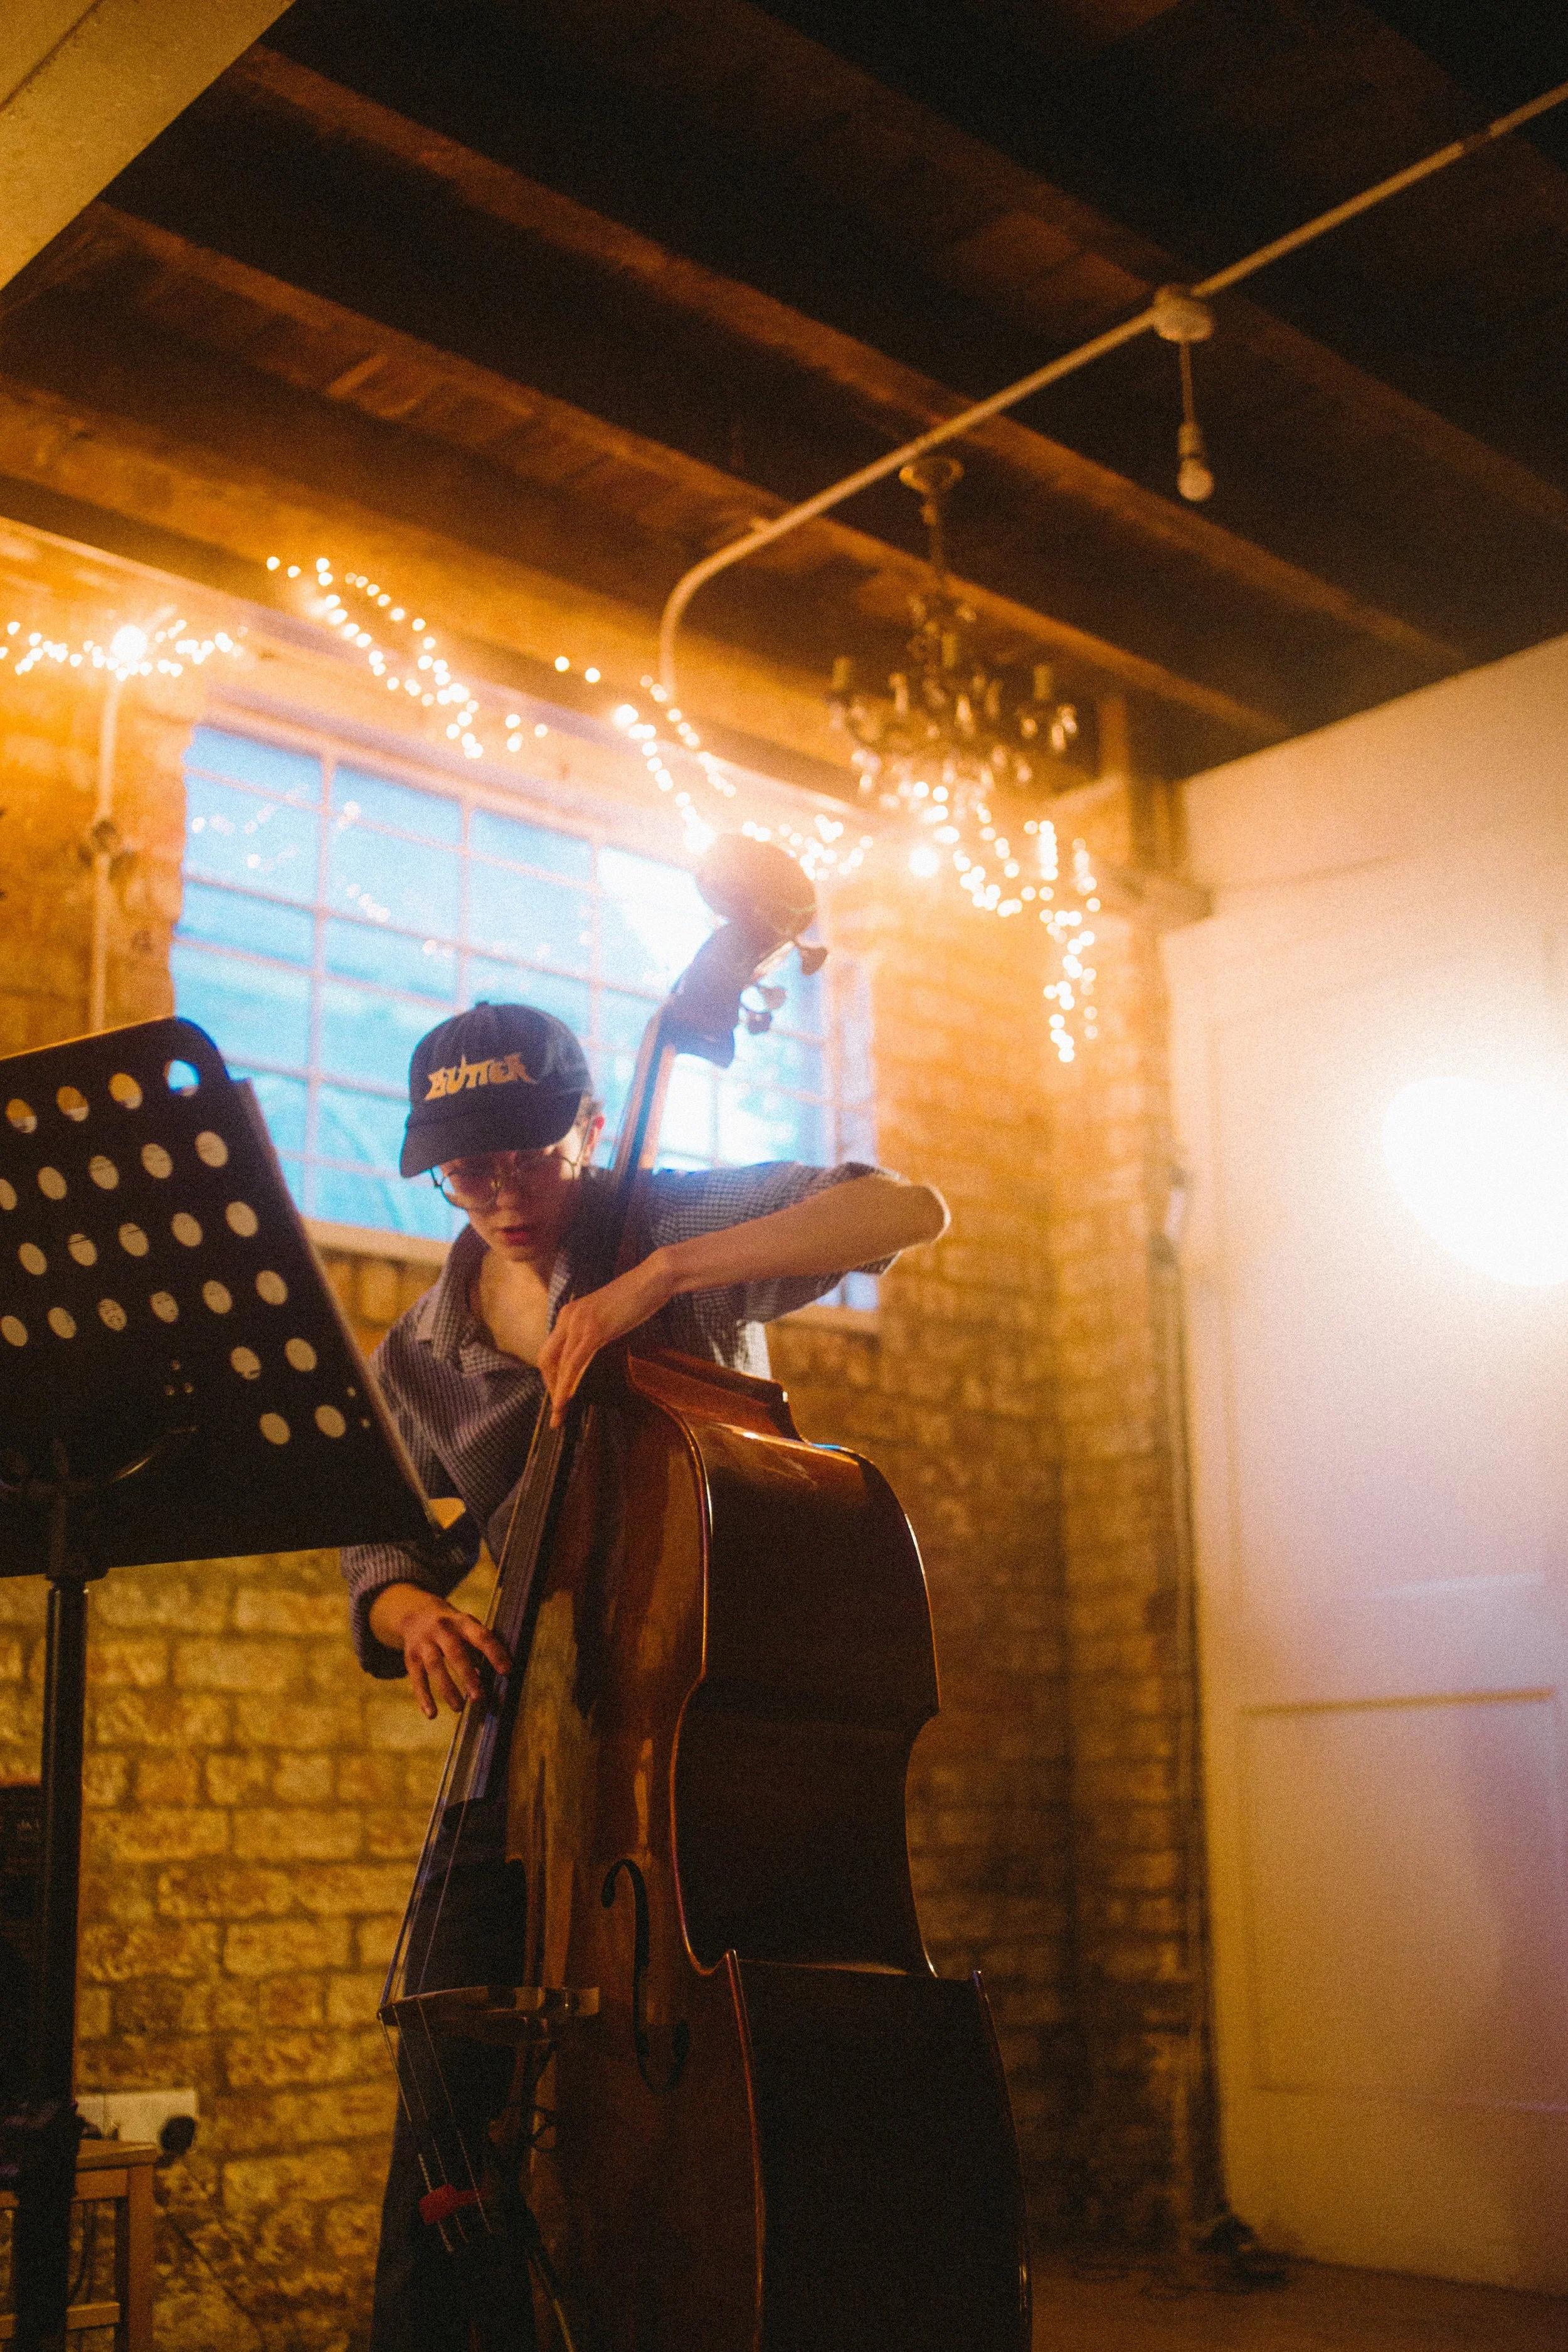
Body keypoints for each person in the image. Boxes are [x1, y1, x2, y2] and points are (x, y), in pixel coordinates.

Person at [340, 1000, 946, 2352]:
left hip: (685, 1744)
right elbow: (378, 1533)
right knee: (443, 2056)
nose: (498, 1191)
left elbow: (902, 1212)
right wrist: (404, 1613)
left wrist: (660, 1284)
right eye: (462, 1166)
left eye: (528, 1155)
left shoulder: (663, 1227)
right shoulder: (420, 1349)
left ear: (589, 1126)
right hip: (527, 1746)